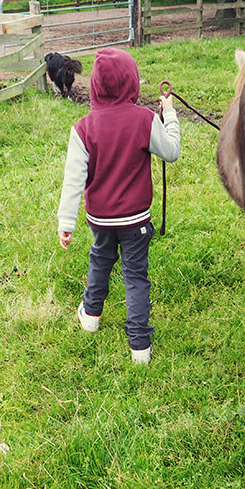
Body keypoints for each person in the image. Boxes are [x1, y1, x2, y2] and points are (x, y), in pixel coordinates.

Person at [56, 47, 180, 364]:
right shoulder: (145, 119)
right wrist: (170, 116)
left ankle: (91, 316)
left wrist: (66, 223)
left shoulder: (82, 128)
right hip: (136, 221)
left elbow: (73, 180)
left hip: (100, 218)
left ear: (96, 85)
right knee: (136, 277)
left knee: (100, 261)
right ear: (132, 83)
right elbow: (171, 151)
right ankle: (140, 346)